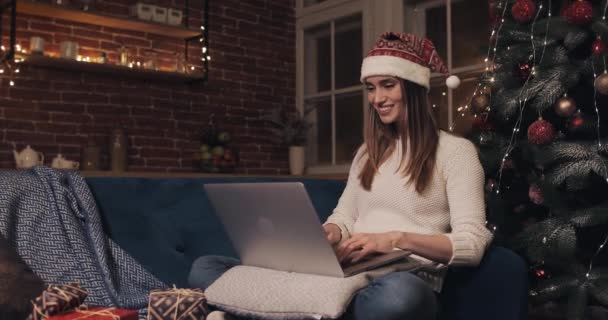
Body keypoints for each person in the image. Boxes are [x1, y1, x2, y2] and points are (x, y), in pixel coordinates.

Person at [190, 32, 493, 320]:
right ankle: (311, 305)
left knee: (398, 299)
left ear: (413, 87)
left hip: (404, 275)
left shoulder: (455, 152)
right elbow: (345, 216)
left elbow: (472, 243)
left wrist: (396, 239)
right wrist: (330, 232)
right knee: (206, 267)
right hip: (349, 270)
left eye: (388, 84)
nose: (377, 98)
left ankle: (265, 308)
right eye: (371, 88)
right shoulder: (367, 153)